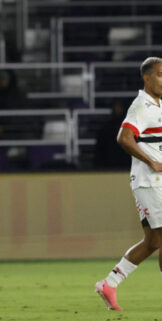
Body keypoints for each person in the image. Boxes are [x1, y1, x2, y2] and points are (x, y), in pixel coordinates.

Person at [95, 57, 162, 311]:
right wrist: (151, 162)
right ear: (147, 78)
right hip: (149, 181)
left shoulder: (158, 105)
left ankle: (109, 284)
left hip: (158, 181)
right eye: (160, 74)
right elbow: (124, 138)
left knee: (154, 242)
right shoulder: (142, 105)